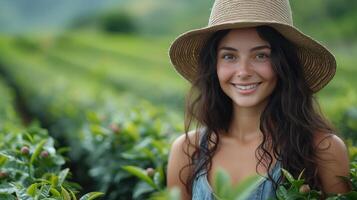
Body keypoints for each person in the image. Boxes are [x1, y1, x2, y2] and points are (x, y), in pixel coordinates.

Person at [166, 0, 351, 199]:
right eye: (229, 56)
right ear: (214, 66)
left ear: (283, 63)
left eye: (261, 55)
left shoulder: (324, 149)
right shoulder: (187, 150)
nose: (244, 72)